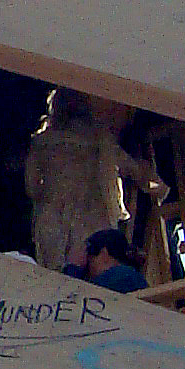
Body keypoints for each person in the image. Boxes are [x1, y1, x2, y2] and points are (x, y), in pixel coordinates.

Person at [24, 91, 161, 275]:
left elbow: (31, 187)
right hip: (92, 216)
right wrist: (159, 187)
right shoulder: (101, 140)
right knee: (96, 280)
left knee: (54, 279)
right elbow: (135, 171)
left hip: (52, 217)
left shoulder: (41, 142)